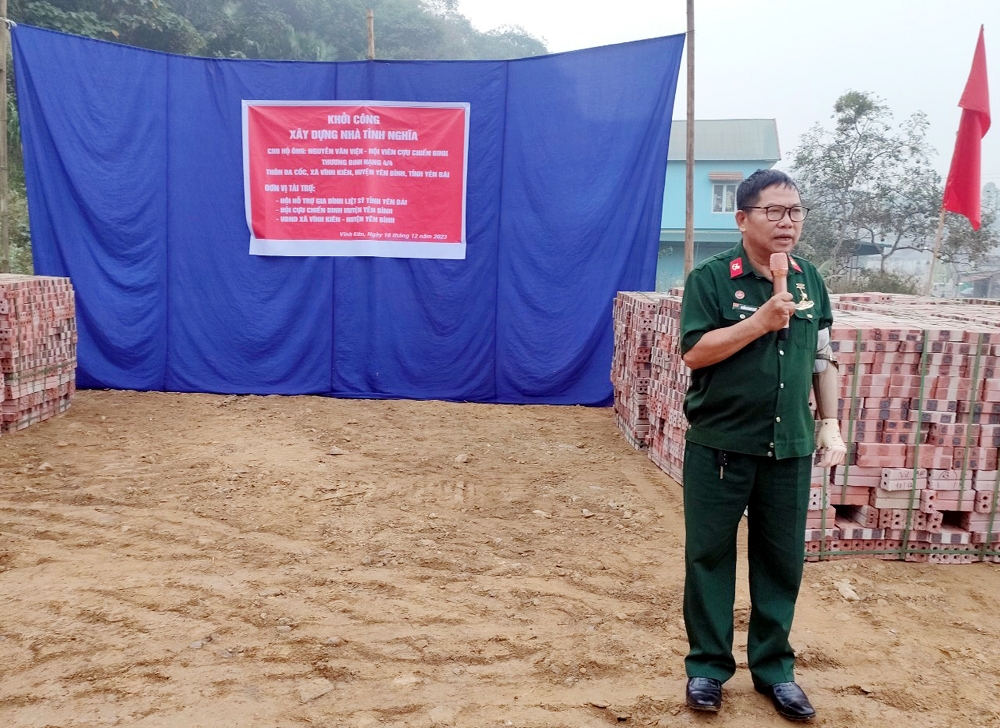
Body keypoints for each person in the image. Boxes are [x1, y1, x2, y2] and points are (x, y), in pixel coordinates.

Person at [678, 169, 846, 722]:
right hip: (721, 446)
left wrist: (830, 422)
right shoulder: (711, 279)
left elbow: (822, 357)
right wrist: (759, 323)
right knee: (710, 556)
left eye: (795, 211)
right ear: (743, 218)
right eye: (775, 212)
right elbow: (695, 353)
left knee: (780, 562)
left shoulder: (809, 280)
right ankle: (707, 668)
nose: (787, 222)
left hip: (789, 447)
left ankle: (775, 670)